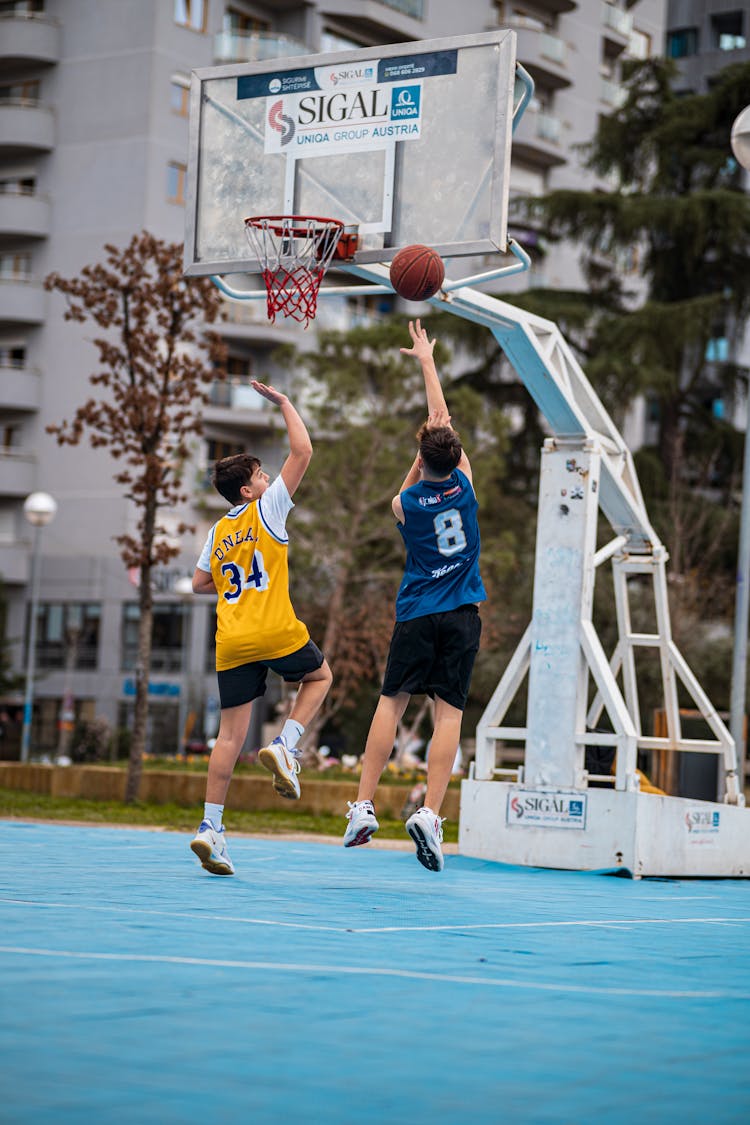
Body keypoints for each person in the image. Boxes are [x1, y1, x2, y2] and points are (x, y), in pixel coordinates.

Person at [343, 320, 485, 872]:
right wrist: (429, 361)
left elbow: (419, 465)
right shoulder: (466, 485)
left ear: (422, 462)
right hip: (462, 615)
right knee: (448, 717)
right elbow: (442, 423)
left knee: (391, 705)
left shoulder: (405, 505)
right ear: (455, 460)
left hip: (416, 613)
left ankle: (363, 806)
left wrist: (420, 454)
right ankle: (429, 813)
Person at [189, 381, 332, 875]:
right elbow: (304, 449)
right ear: (249, 490)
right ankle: (287, 746)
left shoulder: (218, 530)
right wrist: (287, 403)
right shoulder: (266, 509)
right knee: (319, 678)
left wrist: (233, 590)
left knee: (229, 736)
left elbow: (197, 583)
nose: (270, 478)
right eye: (262, 475)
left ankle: (211, 827)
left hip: (230, 639)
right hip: (272, 628)